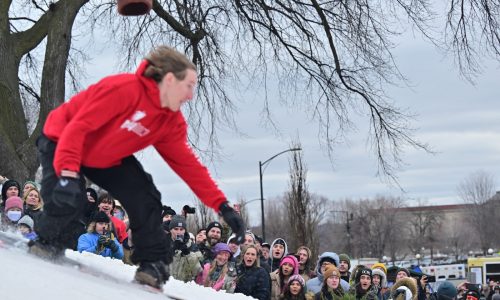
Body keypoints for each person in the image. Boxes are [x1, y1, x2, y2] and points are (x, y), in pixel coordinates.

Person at [29, 45, 245, 290]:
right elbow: (77, 129)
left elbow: (189, 166)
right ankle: (49, 241)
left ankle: (153, 264)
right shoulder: (125, 90)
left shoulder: (169, 121)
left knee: (146, 197)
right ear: (171, 80)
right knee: (70, 195)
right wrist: (67, 175)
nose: (190, 96)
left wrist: (222, 206)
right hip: (63, 139)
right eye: (189, 86)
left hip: (106, 156)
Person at [167, 215, 202, 282]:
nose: (179, 232)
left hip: (183, 287)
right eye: (176, 229)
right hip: (166, 284)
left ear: (185, 230)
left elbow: (197, 271)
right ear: (170, 230)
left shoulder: (192, 246)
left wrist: (188, 254)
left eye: (181, 229)